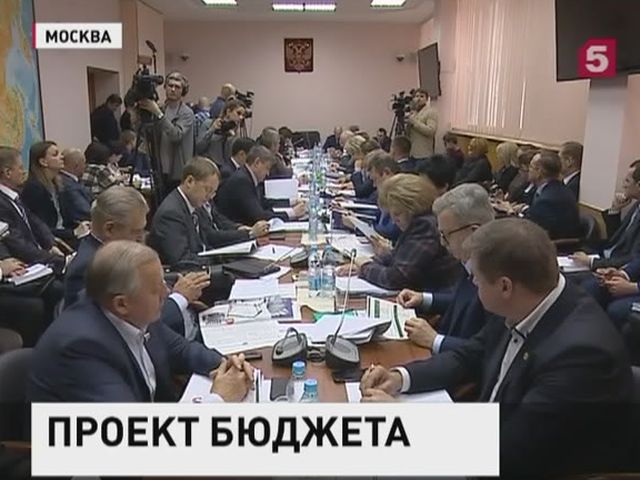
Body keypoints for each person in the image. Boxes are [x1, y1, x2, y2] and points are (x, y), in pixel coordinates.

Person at [360, 218, 634, 477]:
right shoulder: (527, 301)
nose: (473, 284)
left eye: (476, 279)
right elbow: (469, 355)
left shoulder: (581, 356)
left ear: (505, 286)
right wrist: (400, 377)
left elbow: (510, 453)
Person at [31, 240, 254, 402]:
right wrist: (220, 399)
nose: (167, 292)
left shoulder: (135, 312)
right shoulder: (81, 347)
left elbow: (182, 350)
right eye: (156, 288)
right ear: (121, 304)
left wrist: (227, 366)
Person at [63, 185, 212, 343]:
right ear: (110, 229)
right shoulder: (88, 268)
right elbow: (130, 327)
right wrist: (179, 298)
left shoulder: (118, 253)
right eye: (136, 233)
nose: (142, 240)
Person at [396, 184, 496, 353]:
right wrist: (424, 299)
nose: (442, 243)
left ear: (474, 232)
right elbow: (464, 302)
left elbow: (489, 350)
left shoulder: (498, 274)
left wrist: (435, 340)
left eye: (446, 235)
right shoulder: (470, 260)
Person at [336, 174, 461, 292]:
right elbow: (399, 256)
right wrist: (367, 263)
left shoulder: (425, 226)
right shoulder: (421, 221)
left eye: (397, 214)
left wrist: (365, 266)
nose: (394, 220)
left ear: (412, 207)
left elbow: (396, 279)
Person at [149, 157, 264, 268]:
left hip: (204, 264)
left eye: (213, 192)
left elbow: (208, 237)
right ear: (190, 181)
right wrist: (222, 262)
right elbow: (183, 261)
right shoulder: (171, 214)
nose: (210, 197)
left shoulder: (194, 203)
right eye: (207, 190)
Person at [0, 146, 66, 271]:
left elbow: (34, 221)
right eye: (20, 168)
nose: (24, 172)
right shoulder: (2, 204)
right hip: (24, 266)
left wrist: (50, 243)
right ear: (8, 173)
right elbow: (17, 244)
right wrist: (57, 260)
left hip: (41, 257)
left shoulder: (15, 195)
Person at [572, 160, 640, 270]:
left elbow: (632, 259)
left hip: (614, 268)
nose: (623, 185)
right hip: (603, 255)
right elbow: (615, 239)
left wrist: (592, 262)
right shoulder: (636, 206)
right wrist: (615, 209)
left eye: (627, 181)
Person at [215, 146, 306, 225]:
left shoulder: (247, 176)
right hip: (238, 229)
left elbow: (264, 202)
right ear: (257, 163)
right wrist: (292, 213)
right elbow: (259, 216)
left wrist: (292, 201)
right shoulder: (242, 181)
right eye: (267, 168)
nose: (267, 173)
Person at [21, 141, 88, 246]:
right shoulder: (34, 188)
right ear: (43, 162)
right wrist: (73, 232)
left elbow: (64, 218)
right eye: (55, 154)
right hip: (51, 241)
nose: (62, 157)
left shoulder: (57, 183)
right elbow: (41, 228)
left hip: (64, 234)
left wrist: (81, 226)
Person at [138, 71, 195, 195]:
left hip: (177, 171)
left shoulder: (186, 113)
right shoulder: (161, 109)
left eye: (177, 87)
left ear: (183, 91)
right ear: (165, 87)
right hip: (159, 169)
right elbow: (149, 134)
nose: (173, 89)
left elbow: (176, 135)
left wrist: (158, 114)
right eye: (170, 86)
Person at [524, 150, 581, 240]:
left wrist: (511, 213)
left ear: (539, 172)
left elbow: (530, 230)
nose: (528, 170)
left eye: (531, 166)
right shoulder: (556, 189)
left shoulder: (547, 200)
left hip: (553, 245)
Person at [197, 99, 246, 169]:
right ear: (228, 111)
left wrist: (232, 138)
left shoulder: (235, 133)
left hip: (223, 169)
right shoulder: (208, 124)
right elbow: (199, 147)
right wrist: (212, 130)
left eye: (243, 115)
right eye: (238, 113)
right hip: (206, 165)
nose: (241, 117)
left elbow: (230, 157)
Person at [58, 148, 93, 229]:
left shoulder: (68, 180)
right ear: (76, 166)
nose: (85, 166)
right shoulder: (69, 186)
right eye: (84, 163)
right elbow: (85, 212)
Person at [406, 88, 438, 159]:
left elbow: (431, 131)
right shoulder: (414, 113)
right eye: (417, 96)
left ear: (426, 99)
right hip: (412, 153)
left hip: (423, 154)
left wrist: (414, 122)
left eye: (422, 96)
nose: (419, 99)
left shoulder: (431, 112)